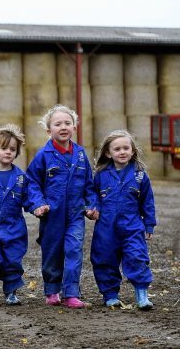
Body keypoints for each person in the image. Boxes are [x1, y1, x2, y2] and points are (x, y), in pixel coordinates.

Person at [26, 105, 99, 309]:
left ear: (74, 128)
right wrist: (38, 204)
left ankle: (71, 293)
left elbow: (89, 185)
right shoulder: (43, 156)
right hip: (52, 215)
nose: (63, 127)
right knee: (52, 252)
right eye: (58, 124)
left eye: (68, 123)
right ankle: (51, 290)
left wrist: (91, 205)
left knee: (74, 250)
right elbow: (31, 183)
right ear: (49, 130)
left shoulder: (81, 155)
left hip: (75, 214)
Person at [0, 124, 49, 305]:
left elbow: (32, 195)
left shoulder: (21, 178)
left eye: (12, 149)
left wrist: (38, 206)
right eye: (3, 148)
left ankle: (11, 292)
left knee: (12, 259)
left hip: (14, 229)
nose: (8, 152)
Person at [90, 130, 157, 310]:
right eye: (117, 149)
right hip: (106, 227)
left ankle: (142, 294)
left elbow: (147, 201)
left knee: (137, 256)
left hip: (132, 225)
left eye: (126, 148)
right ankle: (110, 294)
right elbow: (92, 195)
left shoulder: (140, 175)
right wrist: (93, 207)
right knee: (104, 258)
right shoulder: (101, 175)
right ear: (108, 153)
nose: (122, 152)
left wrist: (149, 223)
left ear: (133, 150)